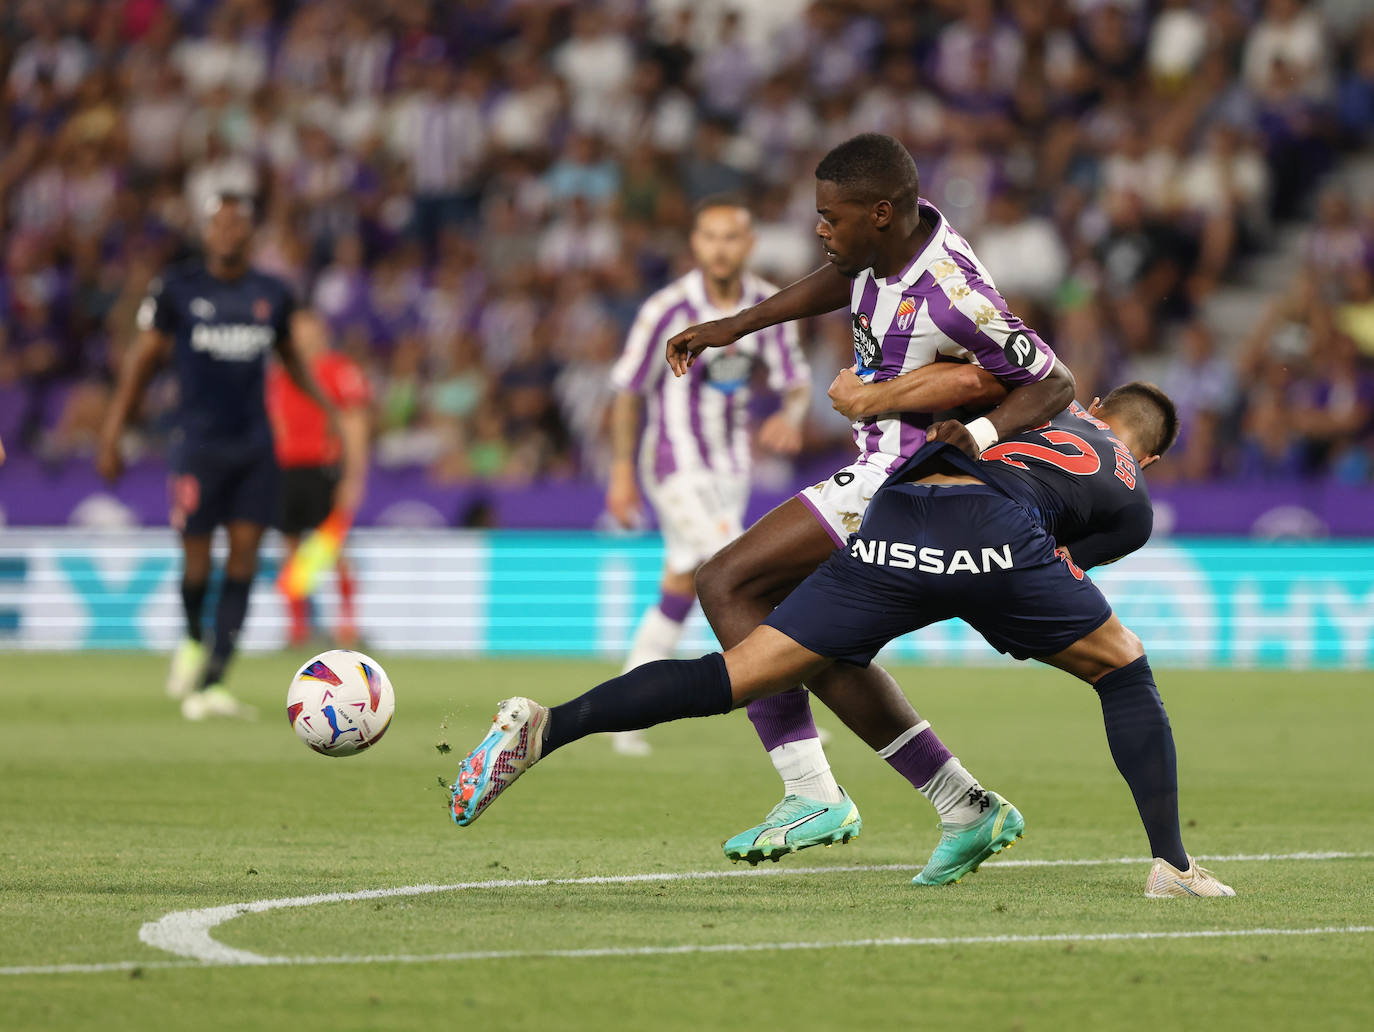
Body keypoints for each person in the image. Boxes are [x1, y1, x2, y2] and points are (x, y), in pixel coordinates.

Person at [448, 383, 1236, 899]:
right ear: (1153, 457)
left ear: (1094, 404)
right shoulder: (1134, 500)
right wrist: (1011, 623)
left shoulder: (1041, 409)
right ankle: (1172, 863)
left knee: (739, 673)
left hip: (898, 508)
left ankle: (549, 724)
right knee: (1123, 668)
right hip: (995, 535)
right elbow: (1045, 571)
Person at [664, 133, 1074, 858]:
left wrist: (977, 435)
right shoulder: (889, 249)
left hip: (900, 479)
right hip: (885, 471)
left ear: (880, 213)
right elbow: (848, 280)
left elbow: (1054, 381)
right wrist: (736, 326)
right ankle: (960, 802)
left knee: (727, 581)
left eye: (831, 217)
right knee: (818, 642)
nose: (820, 229)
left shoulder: (953, 294)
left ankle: (811, 793)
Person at [97, 193, 333, 720]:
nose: (228, 233)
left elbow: (291, 359)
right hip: (197, 444)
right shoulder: (178, 290)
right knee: (197, 557)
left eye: (237, 225)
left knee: (246, 554)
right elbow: (143, 363)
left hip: (254, 444)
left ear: (249, 234)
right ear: (207, 233)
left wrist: (324, 406)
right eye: (219, 225)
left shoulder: (272, 293)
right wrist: (113, 431)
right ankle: (191, 638)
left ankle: (216, 677)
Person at [603, 194, 811, 756]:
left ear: (749, 245)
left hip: (730, 467)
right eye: (709, 237)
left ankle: (626, 713)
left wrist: (791, 418)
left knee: (679, 583)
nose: (720, 248)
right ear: (696, 245)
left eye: (731, 237)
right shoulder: (667, 309)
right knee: (742, 571)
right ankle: (791, 718)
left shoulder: (768, 304)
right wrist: (621, 471)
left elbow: (796, 379)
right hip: (674, 463)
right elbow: (627, 391)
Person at [266, 309, 371, 647]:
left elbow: (355, 424)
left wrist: (353, 477)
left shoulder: (338, 370)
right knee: (292, 549)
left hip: (324, 469)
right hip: (285, 471)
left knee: (334, 547)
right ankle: (297, 629)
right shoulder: (279, 373)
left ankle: (347, 627)